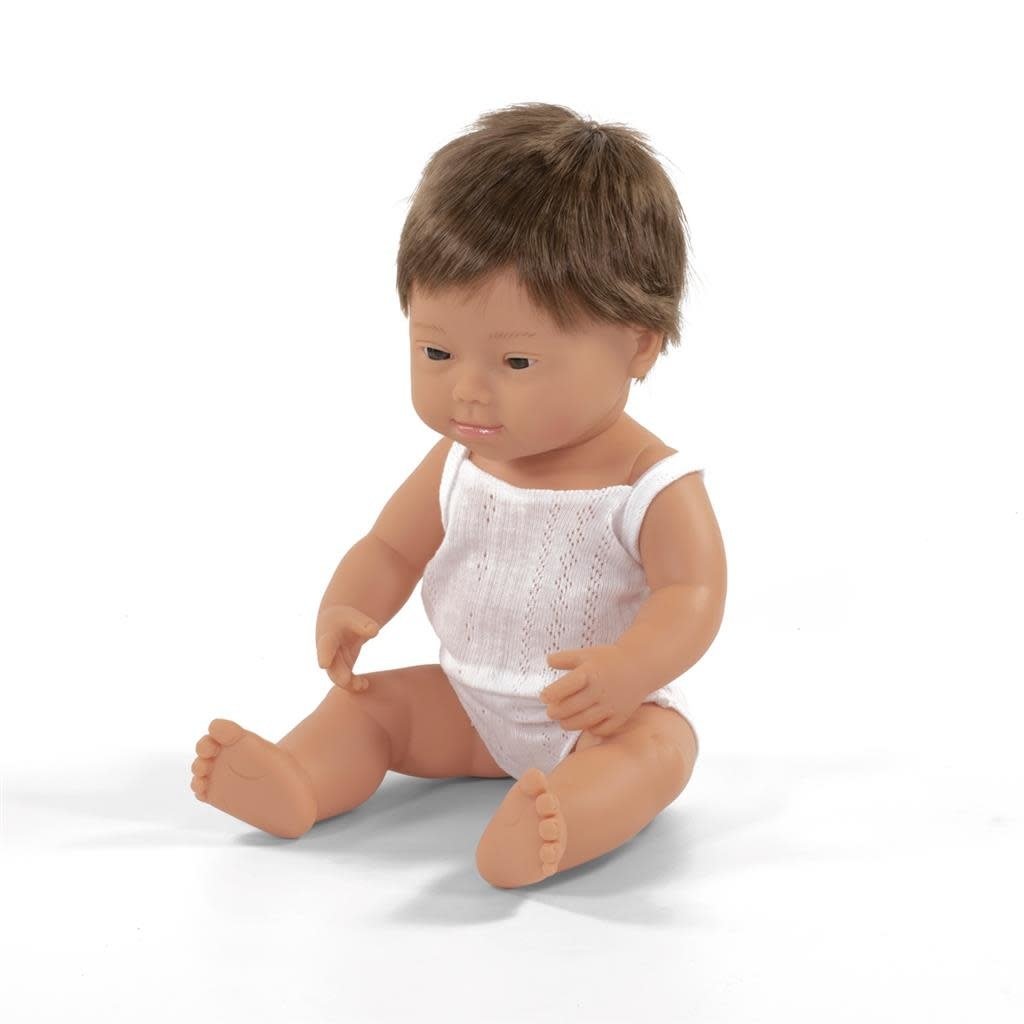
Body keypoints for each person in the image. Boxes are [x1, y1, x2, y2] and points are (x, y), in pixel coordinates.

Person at [191, 102, 727, 889]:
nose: (467, 391)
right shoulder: (458, 462)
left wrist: (629, 669)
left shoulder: (649, 484)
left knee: (656, 753)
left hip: (601, 717)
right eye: (437, 352)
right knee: (371, 708)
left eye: (516, 363)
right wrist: (350, 603)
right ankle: (298, 780)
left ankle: (562, 821)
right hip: (468, 701)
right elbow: (391, 546)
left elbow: (693, 594)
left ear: (637, 344)